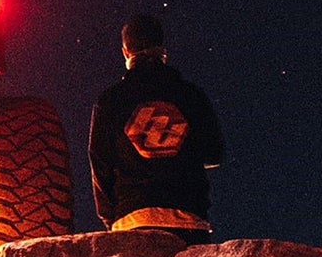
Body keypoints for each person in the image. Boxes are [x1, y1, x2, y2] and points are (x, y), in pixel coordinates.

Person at [88, 15, 225, 236]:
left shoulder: (110, 100)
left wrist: (111, 218)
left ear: (125, 51)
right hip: (189, 219)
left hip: (131, 220)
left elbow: (100, 164)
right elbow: (214, 154)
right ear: (163, 49)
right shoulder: (192, 96)